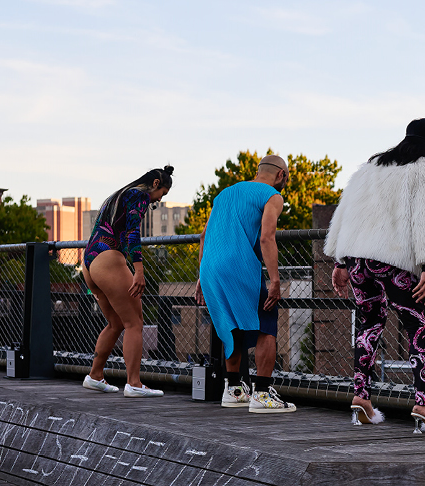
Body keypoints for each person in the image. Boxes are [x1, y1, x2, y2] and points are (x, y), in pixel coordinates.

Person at [326, 118, 425, 433]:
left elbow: (347, 214)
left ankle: (361, 397)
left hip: (358, 259)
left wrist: (341, 260)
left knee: (368, 326)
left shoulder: (368, 170)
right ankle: (424, 404)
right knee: (416, 327)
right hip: (395, 261)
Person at [195, 154, 297, 414]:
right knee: (266, 323)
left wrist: (200, 276)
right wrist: (275, 280)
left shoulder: (225, 194)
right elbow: (266, 238)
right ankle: (262, 393)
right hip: (239, 264)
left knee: (232, 323)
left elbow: (205, 235)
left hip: (211, 267)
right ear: (281, 175)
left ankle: (234, 390)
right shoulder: (272, 196)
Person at [79, 166, 172, 399]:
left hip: (90, 261)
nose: (159, 199)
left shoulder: (120, 194)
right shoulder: (139, 195)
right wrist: (138, 270)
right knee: (135, 323)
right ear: (155, 183)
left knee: (116, 323)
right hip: (109, 258)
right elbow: (132, 231)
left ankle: (95, 376)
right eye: (163, 192)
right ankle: (134, 383)